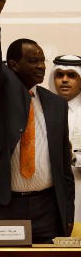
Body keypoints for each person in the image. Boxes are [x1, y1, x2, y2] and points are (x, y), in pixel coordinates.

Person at [0, 0, 74, 244]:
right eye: (33, 61)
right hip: (4, 205)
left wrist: (67, 211)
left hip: (48, 207)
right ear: (13, 65)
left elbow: (62, 165)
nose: (41, 66)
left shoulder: (56, 104)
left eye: (42, 61)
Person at [48, 55, 81, 221]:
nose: (65, 80)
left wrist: (73, 157)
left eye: (71, 75)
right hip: (49, 192)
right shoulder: (42, 110)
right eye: (59, 75)